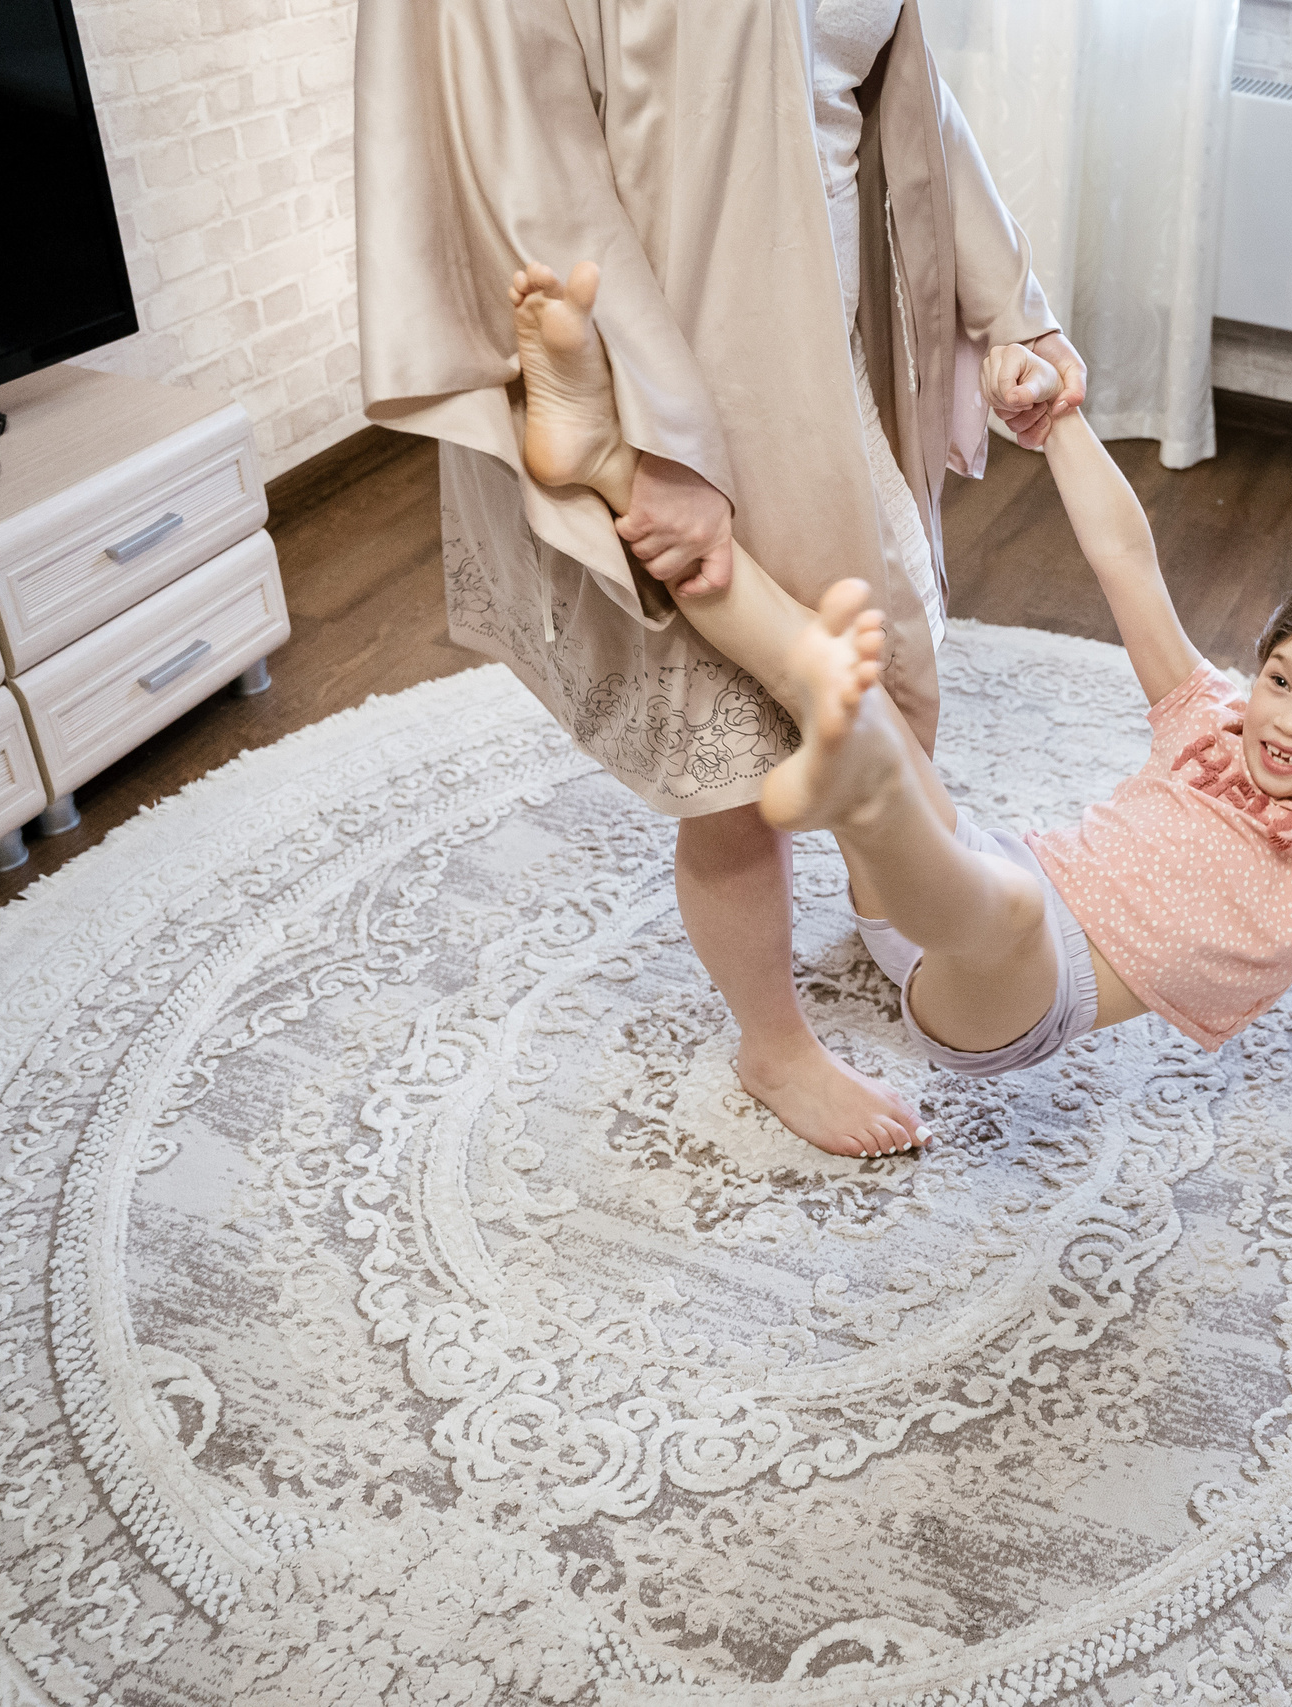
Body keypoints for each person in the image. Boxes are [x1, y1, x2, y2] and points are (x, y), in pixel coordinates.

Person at [355, 1, 1084, 1160]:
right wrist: (653, 438)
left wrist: (1011, 308)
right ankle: (774, 1043)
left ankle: (881, 887)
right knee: (736, 754)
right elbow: (526, 157)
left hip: (822, 331)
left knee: (862, 662)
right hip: (673, 344)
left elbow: (902, 90)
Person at [509, 277, 1292, 1117]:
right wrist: (1057, 418)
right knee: (884, 727)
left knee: (1003, 899)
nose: (1286, 721)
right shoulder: (1207, 722)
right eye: (1280, 680)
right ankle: (599, 460)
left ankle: (853, 772)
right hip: (949, 891)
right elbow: (1123, 561)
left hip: (1008, 987)